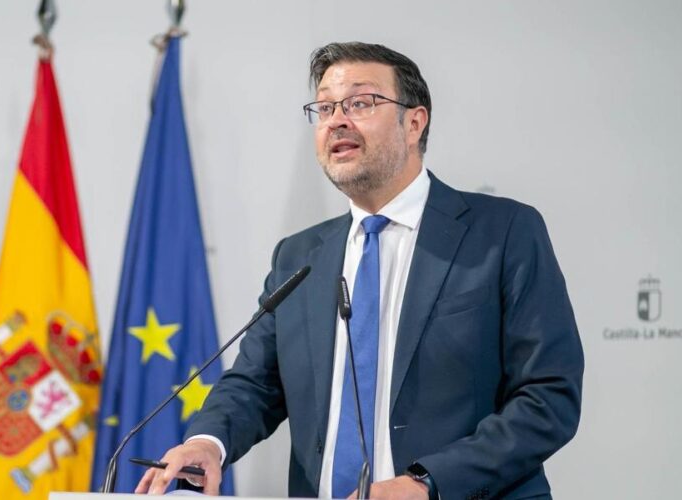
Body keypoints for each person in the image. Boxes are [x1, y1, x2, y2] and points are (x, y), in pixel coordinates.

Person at [135, 42, 584, 500]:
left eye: (360, 103)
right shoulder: (299, 256)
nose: (336, 120)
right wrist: (208, 442)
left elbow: (548, 397)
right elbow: (255, 383)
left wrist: (427, 483)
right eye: (325, 107)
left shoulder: (502, 232)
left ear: (414, 123)